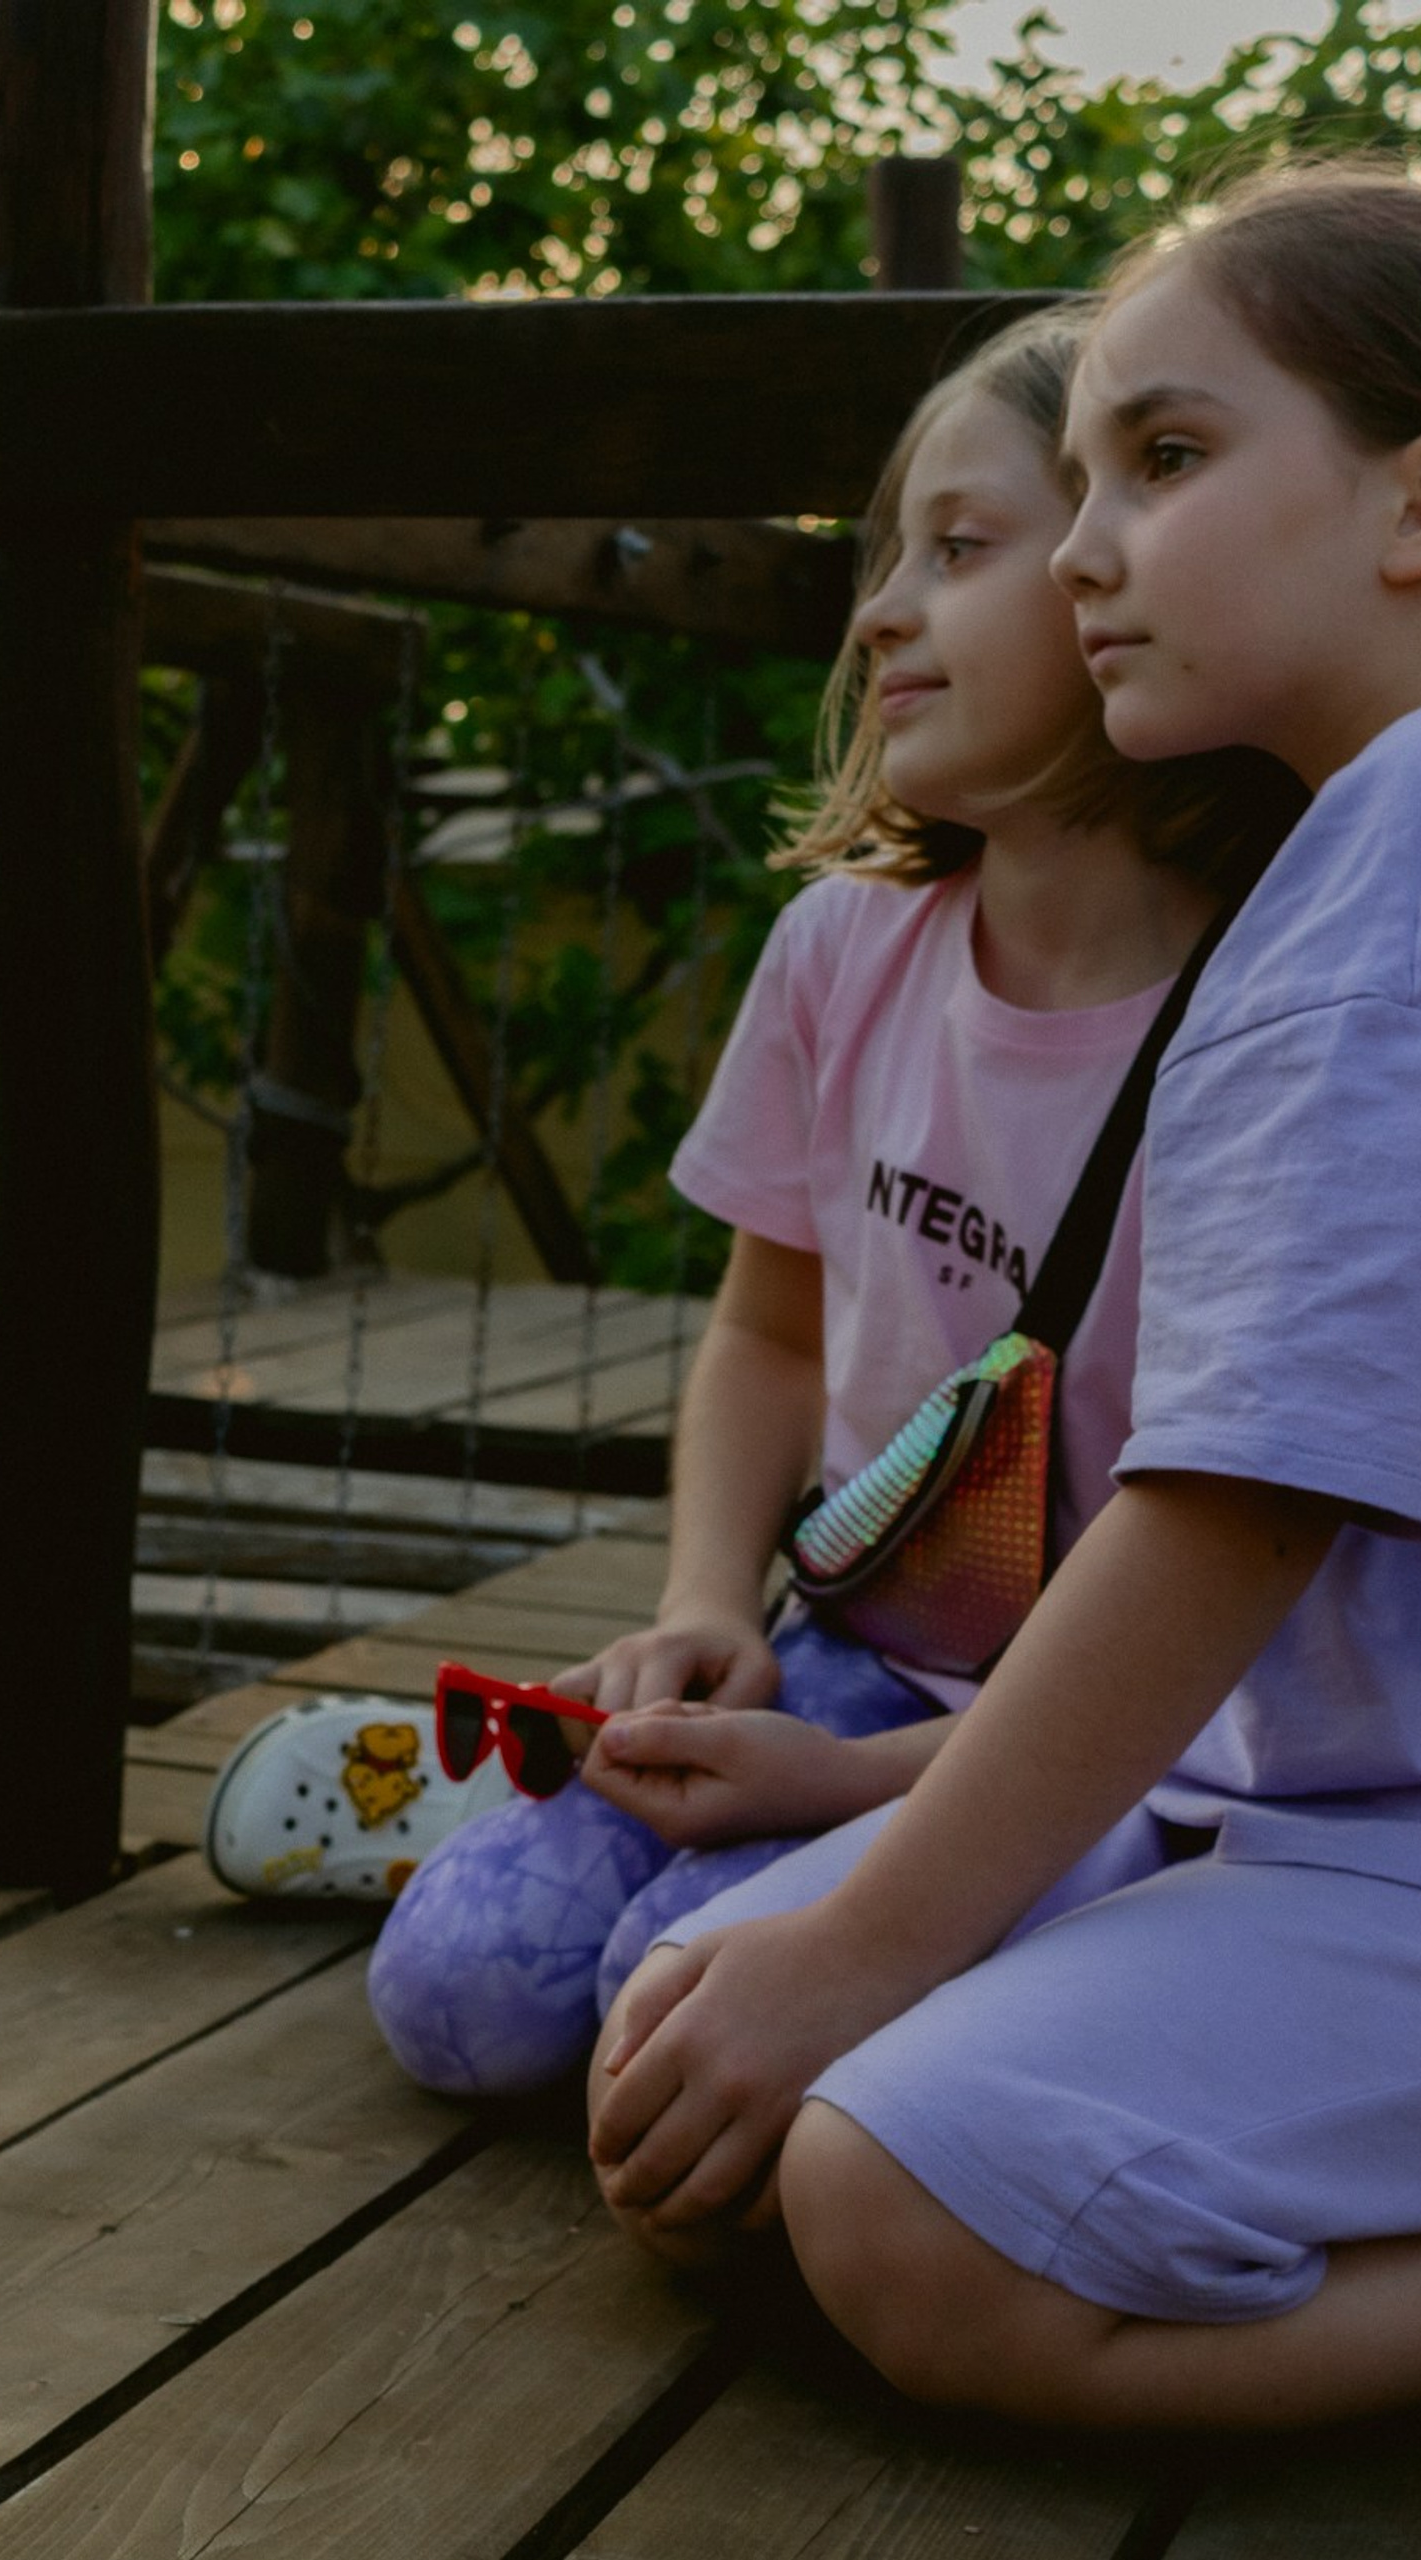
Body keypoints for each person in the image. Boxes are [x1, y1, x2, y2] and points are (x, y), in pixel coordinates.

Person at [588, 160, 1421, 2434]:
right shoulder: (1349, 865)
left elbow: (1230, 1509)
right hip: (1303, 1808)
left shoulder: (1368, 911)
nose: (1078, 554)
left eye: (1164, 459)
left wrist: (862, 1946)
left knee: (888, 2203)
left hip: (1361, 1837)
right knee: (716, 2066)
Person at [349, 305, 1302, 2100]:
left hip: (1148, 1745)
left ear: (1117, 578)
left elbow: (1242, 1612)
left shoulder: (1282, 1017)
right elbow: (769, 1332)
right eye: (887, 559)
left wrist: (856, 1791)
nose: (876, 615)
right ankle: (461, 1821)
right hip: (857, 1648)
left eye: (958, 550)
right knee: (460, 1998)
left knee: (658, 2009)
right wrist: (710, 1602)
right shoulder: (842, 955)